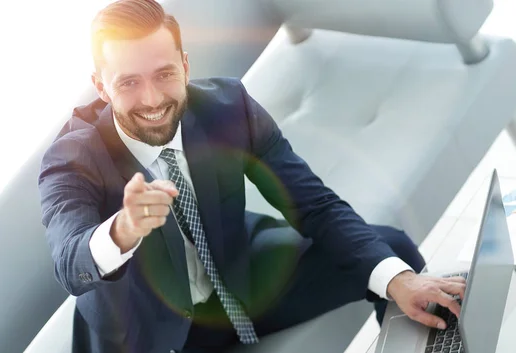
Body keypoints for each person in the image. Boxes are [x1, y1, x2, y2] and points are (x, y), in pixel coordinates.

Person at [38, 1, 466, 352]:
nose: (151, 99)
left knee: (391, 252)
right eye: (128, 82)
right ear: (100, 85)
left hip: (242, 281)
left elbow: (313, 205)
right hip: (147, 334)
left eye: (164, 74)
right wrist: (122, 232)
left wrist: (398, 280)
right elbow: (69, 263)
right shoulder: (72, 157)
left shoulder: (230, 107)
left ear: (185, 65)